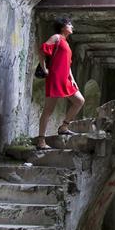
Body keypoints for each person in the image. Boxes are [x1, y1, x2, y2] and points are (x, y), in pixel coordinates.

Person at [36, 17, 85, 149]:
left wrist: (73, 79)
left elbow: (67, 65)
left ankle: (64, 126)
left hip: (66, 79)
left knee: (80, 101)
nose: (72, 27)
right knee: (48, 110)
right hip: (55, 77)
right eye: (70, 24)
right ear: (63, 27)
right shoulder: (56, 37)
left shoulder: (66, 43)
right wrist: (44, 68)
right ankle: (41, 141)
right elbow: (42, 50)